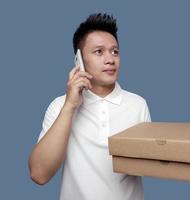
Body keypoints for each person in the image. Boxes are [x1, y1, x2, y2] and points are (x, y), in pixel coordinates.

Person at [28, 13, 151, 200]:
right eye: (99, 52)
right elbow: (39, 174)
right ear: (79, 60)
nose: (110, 59)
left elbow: (147, 166)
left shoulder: (137, 104)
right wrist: (70, 106)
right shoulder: (59, 106)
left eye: (115, 51)